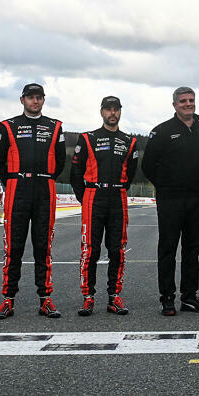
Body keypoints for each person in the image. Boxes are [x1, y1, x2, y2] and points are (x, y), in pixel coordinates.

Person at [0, 83, 67, 319]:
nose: (35, 101)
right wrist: (14, 180)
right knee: (13, 247)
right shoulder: (8, 126)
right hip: (18, 188)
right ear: (22, 100)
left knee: (43, 248)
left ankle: (45, 299)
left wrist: (44, 177)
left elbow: (61, 161)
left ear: (43, 101)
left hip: (45, 189)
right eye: (31, 97)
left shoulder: (55, 126)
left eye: (39, 98)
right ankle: (8, 299)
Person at [142, 87, 199, 316]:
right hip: (171, 199)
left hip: (197, 199)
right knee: (168, 249)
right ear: (174, 104)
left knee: (192, 250)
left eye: (191, 100)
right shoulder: (162, 131)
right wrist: (165, 186)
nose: (188, 104)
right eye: (183, 101)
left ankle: (189, 297)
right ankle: (167, 297)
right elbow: (148, 166)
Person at [70, 96, 138, 316]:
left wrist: (116, 188)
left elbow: (131, 174)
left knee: (117, 249)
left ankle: (114, 296)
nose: (112, 113)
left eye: (116, 109)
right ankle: (88, 297)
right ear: (101, 112)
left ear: (120, 111)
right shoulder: (87, 138)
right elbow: (75, 173)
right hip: (93, 195)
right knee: (90, 249)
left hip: (117, 196)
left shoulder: (130, 141)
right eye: (108, 109)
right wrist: (86, 197)